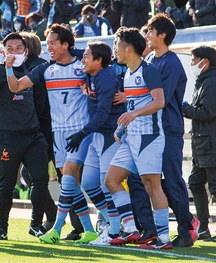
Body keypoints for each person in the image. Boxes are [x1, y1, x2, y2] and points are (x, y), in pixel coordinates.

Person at [6, 24, 97, 244]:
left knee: (68, 177)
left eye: (53, 43)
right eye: (48, 44)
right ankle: (89, 229)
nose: (49, 48)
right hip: (58, 133)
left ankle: (56, 228)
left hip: (80, 131)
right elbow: (16, 87)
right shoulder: (46, 69)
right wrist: (8, 68)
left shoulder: (83, 66)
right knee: (71, 182)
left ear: (66, 44)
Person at [104, 26, 171, 249]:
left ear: (129, 48)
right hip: (131, 137)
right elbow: (134, 105)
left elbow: (159, 102)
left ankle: (163, 239)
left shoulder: (148, 70)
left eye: (117, 45)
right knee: (111, 180)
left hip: (148, 137)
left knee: (152, 186)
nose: (115, 49)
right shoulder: (128, 73)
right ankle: (131, 229)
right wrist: (122, 127)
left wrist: (133, 114)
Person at [0, 32, 49, 240]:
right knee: (6, 183)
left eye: (19, 48)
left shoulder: (32, 70)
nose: (14, 52)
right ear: (3, 51)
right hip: (8, 136)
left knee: (41, 180)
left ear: (26, 52)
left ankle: (36, 225)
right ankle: (1, 229)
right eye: (10, 49)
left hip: (34, 135)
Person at [146, 13, 200, 247]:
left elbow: (161, 99)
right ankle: (185, 221)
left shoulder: (171, 63)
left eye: (149, 31)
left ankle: (186, 230)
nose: (146, 35)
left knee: (172, 180)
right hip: (150, 130)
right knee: (151, 181)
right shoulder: (150, 61)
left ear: (162, 35)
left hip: (168, 129)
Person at [76, 41, 125, 246]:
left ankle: (114, 230)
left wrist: (82, 132)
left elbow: (104, 113)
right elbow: (74, 51)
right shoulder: (94, 72)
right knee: (88, 183)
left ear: (98, 60)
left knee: (108, 184)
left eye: (87, 56)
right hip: (97, 135)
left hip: (108, 134)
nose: (82, 59)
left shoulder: (106, 76)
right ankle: (114, 221)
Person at [182, 45, 216, 243]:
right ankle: (203, 229)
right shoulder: (204, 80)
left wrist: (185, 109)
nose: (191, 64)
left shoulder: (214, 82)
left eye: (193, 59)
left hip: (214, 144)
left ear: (204, 62)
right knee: (196, 183)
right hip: (204, 145)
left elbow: (208, 113)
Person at [19, 31, 57, 231]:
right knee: (35, 173)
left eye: (19, 46)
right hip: (47, 127)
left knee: (34, 173)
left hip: (43, 129)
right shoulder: (37, 65)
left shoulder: (36, 68)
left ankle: (54, 216)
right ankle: (54, 216)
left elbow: (39, 104)